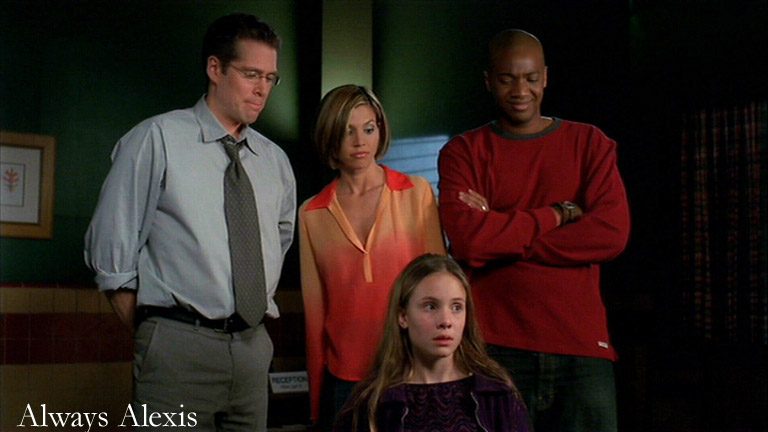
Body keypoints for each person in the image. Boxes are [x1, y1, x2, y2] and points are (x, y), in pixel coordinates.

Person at [84, 13, 296, 431]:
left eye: (271, 78)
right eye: (251, 74)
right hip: (178, 348)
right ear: (215, 68)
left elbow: (278, 241)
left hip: (253, 347)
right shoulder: (158, 138)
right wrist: (157, 335)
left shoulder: (274, 161)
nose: (262, 89)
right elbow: (111, 252)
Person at [438, 29, 630, 431]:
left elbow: (611, 234)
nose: (520, 91)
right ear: (489, 81)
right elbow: (469, 242)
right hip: (496, 347)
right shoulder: (463, 151)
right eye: (507, 79)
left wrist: (502, 230)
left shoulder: (590, 143)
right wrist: (560, 213)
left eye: (530, 78)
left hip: (581, 347)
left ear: (545, 77)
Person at [299, 84, 446, 428]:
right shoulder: (311, 213)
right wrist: (316, 406)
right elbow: (315, 315)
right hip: (345, 378)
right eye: (347, 131)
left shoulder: (416, 193)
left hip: (412, 369)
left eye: (368, 129)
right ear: (330, 136)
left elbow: (439, 290)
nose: (359, 142)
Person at [334, 253, 530, 432]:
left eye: (456, 307)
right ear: (403, 316)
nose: (446, 321)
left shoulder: (496, 394)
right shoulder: (374, 402)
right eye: (430, 306)